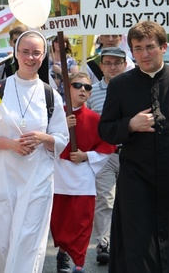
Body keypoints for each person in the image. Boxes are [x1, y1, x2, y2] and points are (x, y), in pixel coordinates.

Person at [98, 20, 169, 272]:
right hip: (136, 182)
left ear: (163, 47)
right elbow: (105, 130)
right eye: (137, 48)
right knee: (138, 250)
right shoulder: (119, 85)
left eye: (150, 47)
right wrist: (130, 125)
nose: (144, 54)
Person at [0, 30, 69, 272]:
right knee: (0, 243)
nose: (30, 57)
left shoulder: (50, 95)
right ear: (15, 53)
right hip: (2, 177)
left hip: (37, 179)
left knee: (29, 241)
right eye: (25, 52)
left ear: (43, 56)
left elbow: (61, 138)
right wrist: (12, 145)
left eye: (36, 53)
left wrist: (42, 137)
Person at [51, 72, 115, 273]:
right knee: (60, 221)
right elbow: (45, 142)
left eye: (87, 87)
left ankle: (79, 262)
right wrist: (62, 126)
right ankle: (63, 255)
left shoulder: (95, 119)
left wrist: (86, 156)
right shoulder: (55, 114)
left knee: (81, 222)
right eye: (78, 85)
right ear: (68, 88)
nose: (83, 90)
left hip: (82, 178)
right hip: (59, 176)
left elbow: (107, 147)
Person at [85, 47, 128, 264]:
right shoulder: (91, 91)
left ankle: (130, 242)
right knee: (105, 198)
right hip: (104, 155)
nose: (112, 67)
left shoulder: (135, 88)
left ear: (125, 64)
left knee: (132, 199)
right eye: (108, 63)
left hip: (132, 153)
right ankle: (105, 242)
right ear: (101, 66)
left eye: (117, 63)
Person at [49, 35, 79, 99]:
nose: (59, 44)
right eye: (57, 42)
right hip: (49, 93)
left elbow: (76, 78)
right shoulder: (45, 60)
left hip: (65, 96)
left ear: (66, 44)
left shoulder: (70, 61)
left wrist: (61, 72)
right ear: (53, 43)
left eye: (62, 42)